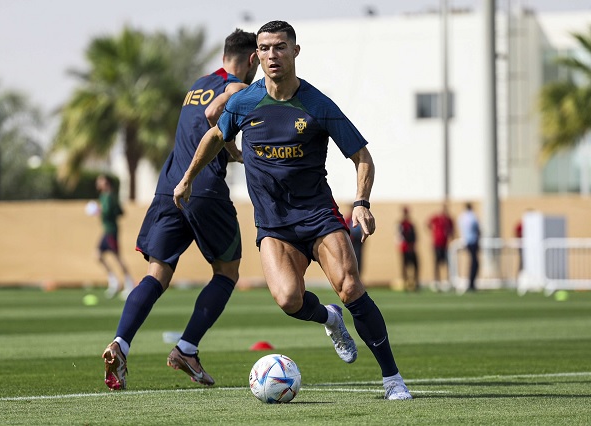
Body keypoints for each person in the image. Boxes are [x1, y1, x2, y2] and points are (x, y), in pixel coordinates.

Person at [173, 20, 412, 400]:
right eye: (265, 48)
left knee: (351, 287)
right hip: (273, 224)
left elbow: (361, 156)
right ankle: (329, 318)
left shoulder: (317, 104)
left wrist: (362, 203)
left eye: (280, 47)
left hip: (318, 216)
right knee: (288, 299)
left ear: (295, 51)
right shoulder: (244, 102)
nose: (272, 55)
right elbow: (216, 136)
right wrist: (187, 178)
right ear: (257, 55)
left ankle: (392, 379)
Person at [101, 29, 260, 390]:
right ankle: (187, 348)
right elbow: (216, 109)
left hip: (168, 186)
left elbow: (201, 124)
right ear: (251, 59)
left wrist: (230, 149)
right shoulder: (237, 86)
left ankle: (120, 343)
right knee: (227, 270)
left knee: (158, 273)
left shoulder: (199, 83)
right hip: (203, 188)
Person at [95, 174, 134, 299]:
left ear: (106, 183)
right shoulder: (103, 196)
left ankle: (129, 284)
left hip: (111, 231)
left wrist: (101, 211)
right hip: (106, 231)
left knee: (117, 257)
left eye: (101, 181)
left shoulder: (110, 196)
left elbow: (119, 212)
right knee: (98, 255)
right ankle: (114, 282)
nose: (99, 183)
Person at [427, 203, 454, 289]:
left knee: (447, 263)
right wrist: (433, 232)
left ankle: (448, 280)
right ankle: (437, 281)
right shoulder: (436, 218)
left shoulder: (448, 219)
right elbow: (428, 224)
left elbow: (452, 229)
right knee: (437, 263)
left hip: (445, 244)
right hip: (437, 244)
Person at [458, 202, 480, 292]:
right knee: (475, 263)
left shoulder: (462, 217)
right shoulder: (472, 216)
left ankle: (470, 283)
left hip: (466, 241)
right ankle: (471, 283)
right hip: (473, 241)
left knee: (472, 262)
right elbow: (477, 228)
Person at [397, 206, 419, 291]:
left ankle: (414, 283)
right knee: (405, 266)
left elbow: (414, 236)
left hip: (411, 248)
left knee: (415, 265)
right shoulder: (401, 224)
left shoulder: (411, 224)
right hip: (405, 248)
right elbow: (400, 236)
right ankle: (406, 284)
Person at [345, 207, 364, 275]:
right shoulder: (348, 219)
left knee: (359, 258)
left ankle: (359, 275)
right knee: (350, 258)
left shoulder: (360, 219)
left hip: (359, 241)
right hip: (351, 241)